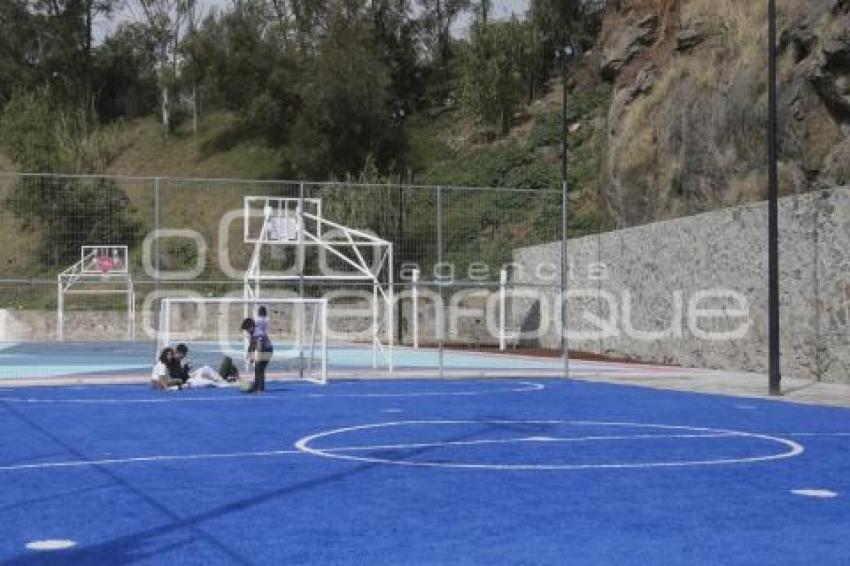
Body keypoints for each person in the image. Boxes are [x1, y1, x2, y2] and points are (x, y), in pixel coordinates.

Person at [240, 317, 273, 393]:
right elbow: (251, 346)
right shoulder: (252, 333)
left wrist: (257, 357)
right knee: (258, 368)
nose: (246, 331)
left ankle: (260, 388)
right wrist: (249, 356)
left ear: (251, 326)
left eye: (247, 329)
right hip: (263, 349)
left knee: (259, 367)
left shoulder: (258, 332)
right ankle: (257, 385)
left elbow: (259, 347)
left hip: (267, 350)